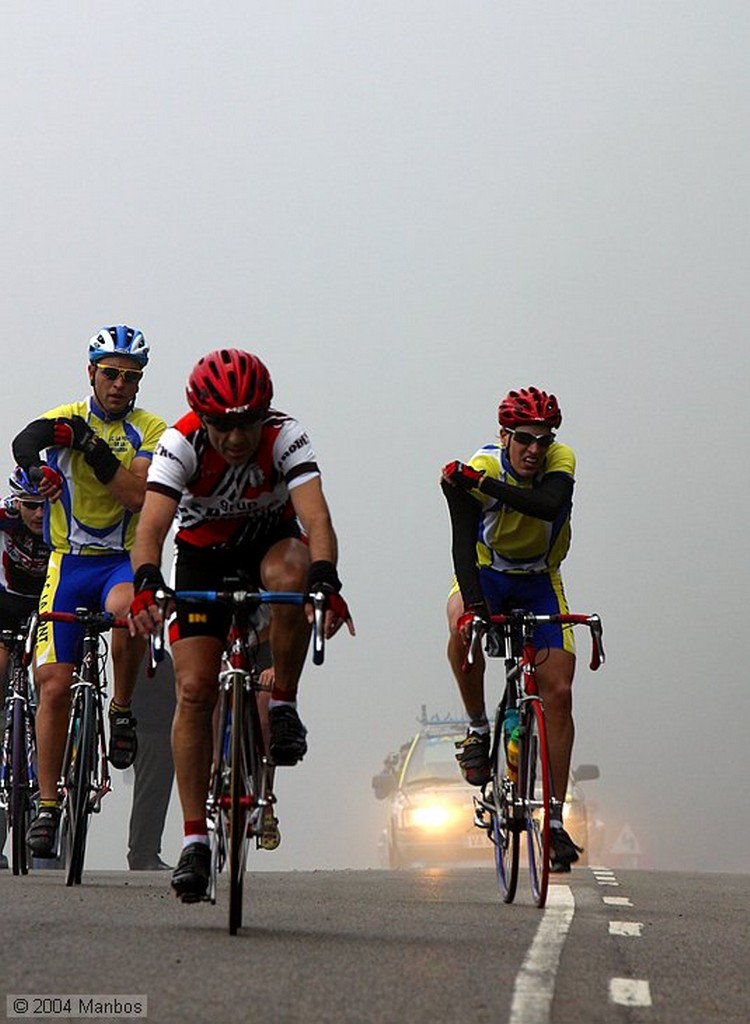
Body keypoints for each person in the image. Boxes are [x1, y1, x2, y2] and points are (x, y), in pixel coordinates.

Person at [128, 348, 354, 902]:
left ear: (265, 415)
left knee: (292, 574)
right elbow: (152, 527)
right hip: (203, 556)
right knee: (194, 689)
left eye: (246, 424)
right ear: (203, 419)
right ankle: (194, 842)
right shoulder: (180, 444)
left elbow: (316, 517)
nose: (235, 438)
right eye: (223, 426)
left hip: (268, 545)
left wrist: (326, 577)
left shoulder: (285, 437)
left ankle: (282, 706)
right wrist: (147, 582)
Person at [11, 325, 167, 858]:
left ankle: (121, 710)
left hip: (120, 563)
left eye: (131, 376)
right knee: (53, 685)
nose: (120, 385)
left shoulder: (151, 428)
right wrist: (38, 470)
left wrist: (87, 444)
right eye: (111, 374)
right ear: (92, 373)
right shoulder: (64, 414)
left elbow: (134, 495)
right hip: (67, 563)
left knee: (129, 614)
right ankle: (49, 803)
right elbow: (24, 443)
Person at [441, 386, 581, 872]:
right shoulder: (483, 465)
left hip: (541, 578)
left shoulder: (560, 460)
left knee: (559, 690)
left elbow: (545, 504)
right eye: (524, 439)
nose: (535, 450)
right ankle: (478, 728)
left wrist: (478, 485)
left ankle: (556, 821)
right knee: (461, 626)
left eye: (544, 440)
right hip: (488, 572)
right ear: (503, 436)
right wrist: (476, 608)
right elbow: (462, 548)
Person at [0, 468, 51, 869]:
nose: (38, 513)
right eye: (30, 505)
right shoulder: (3, 519)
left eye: (45, 505)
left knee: (51, 683)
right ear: (16, 501)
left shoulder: (65, 521)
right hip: (5, 603)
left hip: (48, 607)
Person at [127, 651, 176, 871]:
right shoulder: (151, 658)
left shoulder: (154, 657)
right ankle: (143, 851)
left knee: (152, 791)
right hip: (153, 729)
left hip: (151, 728)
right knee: (152, 791)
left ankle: (144, 850)